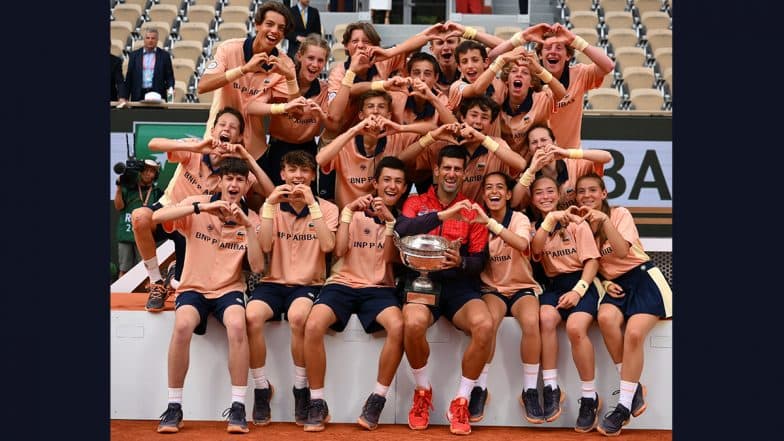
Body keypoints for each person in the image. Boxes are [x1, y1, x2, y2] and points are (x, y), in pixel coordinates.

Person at [153, 156, 264, 435]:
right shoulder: (199, 203)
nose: (234, 184)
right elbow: (156, 217)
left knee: (238, 325)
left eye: (240, 179)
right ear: (220, 181)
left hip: (228, 290)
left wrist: (247, 226)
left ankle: (238, 406)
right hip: (193, 288)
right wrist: (202, 206)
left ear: (246, 185)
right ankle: (174, 406)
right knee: (181, 325)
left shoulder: (252, 219)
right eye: (229, 178)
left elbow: (259, 265)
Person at [301, 157, 408, 432]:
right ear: (375, 183)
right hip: (342, 284)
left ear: (405, 186)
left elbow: (389, 258)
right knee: (312, 324)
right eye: (386, 180)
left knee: (398, 326)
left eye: (398, 181)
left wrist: (390, 223)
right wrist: (348, 211)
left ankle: (377, 399)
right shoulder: (352, 211)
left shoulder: (403, 220)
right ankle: (317, 402)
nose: (392, 186)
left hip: (379, 289)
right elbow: (337, 251)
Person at [395, 145, 494, 436]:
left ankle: (461, 400)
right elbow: (403, 228)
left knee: (484, 325)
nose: (451, 174)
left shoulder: (473, 210)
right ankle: (423, 392)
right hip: (421, 281)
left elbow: (479, 259)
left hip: (459, 285)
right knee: (411, 324)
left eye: (457, 169)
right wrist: (444, 215)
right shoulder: (416, 202)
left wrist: (461, 262)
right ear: (437, 171)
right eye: (446, 168)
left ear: (464, 173)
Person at [131, 107, 272, 312]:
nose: (227, 129)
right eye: (222, 125)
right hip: (171, 210)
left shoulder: (233, 170)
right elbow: (153, 143)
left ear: (240, 136)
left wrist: (249, 159)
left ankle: (174, 273)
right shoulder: (194, 148)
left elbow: (270, 192)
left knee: (181, 284)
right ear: (213, 130)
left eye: (233, 127)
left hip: (197, 225)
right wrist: (197, 147)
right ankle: (156, 282)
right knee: (140, 217)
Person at [572, 173, 673, 437]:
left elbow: (620, 251)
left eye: (593, 190)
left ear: (603, 193)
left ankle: (623, 407)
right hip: (615, 285)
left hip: (643, 278)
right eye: (581, 192)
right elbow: (592, 265)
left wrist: (604, 221)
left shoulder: (619, 214)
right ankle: (634, 389)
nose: (587, 196)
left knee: (635, 333)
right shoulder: (579, 226)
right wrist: (604, 282)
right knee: (605, 319)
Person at [246, 150, 338, 427]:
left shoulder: (328, 208)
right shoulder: (270, 205)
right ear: (282, 175)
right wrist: (270, 206)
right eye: (292, 171)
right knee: (250, 317)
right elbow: (263, 247)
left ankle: (301, 389)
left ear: (313, 175)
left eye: (305, 171)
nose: (298, 176)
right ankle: (262, 388)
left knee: (299, 318)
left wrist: (313, 206)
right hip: (272, 282)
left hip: (307, 284)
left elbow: (328, 246)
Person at [468, 172, 545, 424]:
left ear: (509, 194)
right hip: (494, 289)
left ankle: (530, 390)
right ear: (483, 194)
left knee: (532, 323)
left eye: (500, 187)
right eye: (488, 187)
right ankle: (480, 387)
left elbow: (523, 244)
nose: (494, 191)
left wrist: (491, 225)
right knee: (488, 323)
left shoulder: (519, 218)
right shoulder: (476, 221)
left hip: (522, 287)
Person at [528, 175, 603, 433]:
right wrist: (548, 223)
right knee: (545, 318)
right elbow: (535, 251)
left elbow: (592, 261)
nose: (545, 197)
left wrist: (579, 290)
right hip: (554, 285)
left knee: (574, 327)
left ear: (559, 194)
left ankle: (590, 397)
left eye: (550, 191)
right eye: (539, 193)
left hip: (581, 282)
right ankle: (550, 388)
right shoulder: (534, 227)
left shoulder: (576, 223)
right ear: (532, 198)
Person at [488, 23, 615, 174]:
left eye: (559, 48)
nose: (553, 52)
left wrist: (575, 40)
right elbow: (492, 56)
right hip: (534, 159)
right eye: (547, 48)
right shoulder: (528, 76)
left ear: (568, 55)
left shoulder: (580, 74)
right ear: (540, 55)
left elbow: (608, 66)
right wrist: (524, 37)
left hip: (567, 157)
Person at [197, 1, 299, 162]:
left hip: (253, 151)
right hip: (218, 144)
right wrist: (243, 70)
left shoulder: (285, 64)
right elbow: (203, 86)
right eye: (269, 24)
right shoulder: (229, 49)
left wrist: (291, 78)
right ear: (257, 25)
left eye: (281, 28)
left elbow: (295, 112)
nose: (275, 31)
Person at [246, 34, 339, 187]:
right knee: (276, 196)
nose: (315, 64)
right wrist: (282, 108)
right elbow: (251, 107)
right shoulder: (279, 80)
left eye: (320, 60)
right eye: (310, 58)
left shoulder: (324, 90)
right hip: (278, 148)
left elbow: (333, 127)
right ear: (299, 56)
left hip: (308, 148)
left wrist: (321, 116)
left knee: (306, 197)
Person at [316, 89, 433, 209]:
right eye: (370, 106)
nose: (376, 111)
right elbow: (320, 160)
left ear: (388, 115)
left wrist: (401, 127)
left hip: (383, 218)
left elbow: (434, 129)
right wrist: (355, 130)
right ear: (361, 115)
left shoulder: (398, 137)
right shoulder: (345, 142)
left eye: (381, 106)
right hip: (348, 219)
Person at [400, 96, 527, 204]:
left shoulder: (497, 144)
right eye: (474, 115)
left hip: (483, 218)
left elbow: (521, 165)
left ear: (491, 123)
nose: (478, 122)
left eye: (484, 117)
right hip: (446, 216)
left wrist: (482, 139)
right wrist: (431, 136)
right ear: (463, 118)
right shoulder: (444, 143)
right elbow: (401, 161)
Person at [512, 124, 611, 210]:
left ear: (554, 143)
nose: (539, 145)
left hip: (577, 224)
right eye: (534, 142)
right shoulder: (528, 175)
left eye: (543, 140)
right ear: (529, 150)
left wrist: (567, 153)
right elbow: (513, 203)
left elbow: (607, 157)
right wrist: (531, 171)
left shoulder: (574, 164)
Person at [115, 159, 163, 278]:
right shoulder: (129, 188)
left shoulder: (157, 192)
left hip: (145, 236)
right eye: (145, 170)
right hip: (126, 235)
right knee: (124, 270)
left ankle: (143, 296)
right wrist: (119, 188)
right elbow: (118, 206)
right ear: (140, 172)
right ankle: (122, 296)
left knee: (146, 272)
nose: (148, 173)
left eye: (151, 171)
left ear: (155, 174)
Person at [123, 28, 174, 102]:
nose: (150, 40)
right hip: (138, 94)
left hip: (157, 94)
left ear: (157, 40)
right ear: (144, 39)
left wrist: (171, 88)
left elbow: (169, 77)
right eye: (148, 38)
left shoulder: (164, 56)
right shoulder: (134, 55)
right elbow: (129, 77)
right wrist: (125, 97)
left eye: (153, 38)